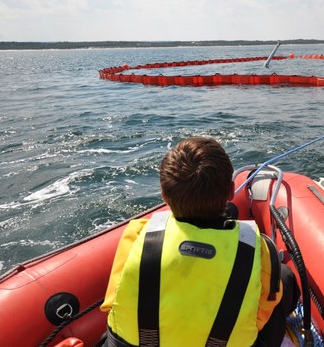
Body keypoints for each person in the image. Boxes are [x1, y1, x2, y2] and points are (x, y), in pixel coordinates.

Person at [100, 137, 300, 347]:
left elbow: (113, 302)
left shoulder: (136, 235)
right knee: (284, 277)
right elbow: (261, 317)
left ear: (164, 197)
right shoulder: (259, 250)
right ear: (232, 191)